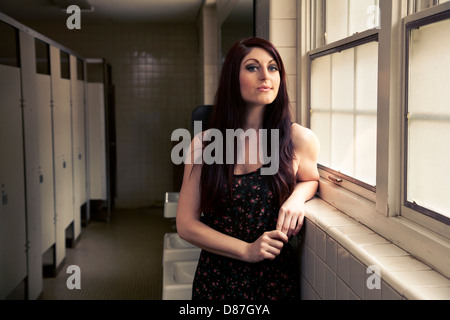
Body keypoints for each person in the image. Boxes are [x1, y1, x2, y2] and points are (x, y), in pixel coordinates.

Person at [176, 37, 320, 300]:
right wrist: (247, 250)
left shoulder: (299, 139)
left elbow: (310, 179)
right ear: (233, 77)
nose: (265, 75)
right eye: (253, 67)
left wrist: (297, 199)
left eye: (273, 67)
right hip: (216, 282)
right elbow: (186, 224)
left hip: (274, 282)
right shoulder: (205, 143)